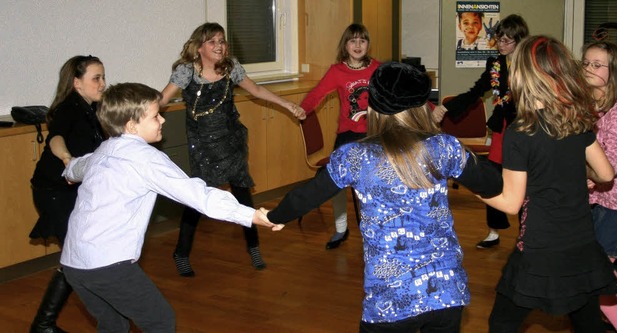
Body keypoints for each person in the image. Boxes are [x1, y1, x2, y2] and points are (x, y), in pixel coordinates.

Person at [267, 62, 503, 333]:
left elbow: (304, 198)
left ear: (372, 107)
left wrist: (271, 216)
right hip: (446, 293)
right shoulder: (444, 147)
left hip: (390, 297)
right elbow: (492, 182)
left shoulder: (353, 157)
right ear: (421, 107)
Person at [60, 82, 283, 332]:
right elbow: (197, 195)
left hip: (73, 264)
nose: (163, 121)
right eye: (155, 116)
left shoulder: (103, 151)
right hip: (107, 265)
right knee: (160, 321)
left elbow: (77, 167)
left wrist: (69, 171)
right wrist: (250, 214)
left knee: (113, 324)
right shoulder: (146, 159)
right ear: (132, 126)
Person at [479, 35, 617, 333]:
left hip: (539, 247)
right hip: (580, 242)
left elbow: (510, 203)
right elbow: (606, 174)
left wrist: (471, 181)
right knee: (586, 319)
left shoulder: (521, 132)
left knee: (502, 322)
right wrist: (580, 174)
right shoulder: (577, 120)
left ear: (525, 76)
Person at [160, 22, 305, 276]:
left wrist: (288, 104)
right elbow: (161, 100)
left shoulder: (231, 68)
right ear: (199, 47)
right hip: (202, 145)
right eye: (212, 41)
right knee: (197, 200)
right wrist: (137, 117)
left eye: (222, 40)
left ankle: (254, 247)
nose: (219, 46)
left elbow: (257, 90)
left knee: (243, 194)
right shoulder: (186, 72)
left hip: (231, 140)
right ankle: (181, 253)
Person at [434, 14, 530, 249]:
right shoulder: (495, 64)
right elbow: (475, 92)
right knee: (493, 179)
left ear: (520, 41)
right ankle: (494, 231)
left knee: (525, 183)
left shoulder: (531, 65)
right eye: (500, 40)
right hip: (502, 130)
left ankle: (526, 235)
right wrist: (445, 107)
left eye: (508, 41)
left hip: (525, 131)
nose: (502, 45)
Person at [28, 55, 106, 333]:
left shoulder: (93, 109)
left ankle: (43, 325)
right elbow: (56, 138)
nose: (102, 83)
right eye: (96, 78)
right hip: (53, 191)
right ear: (77, 83)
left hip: (73, 190)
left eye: (103, 77)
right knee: (77, 255)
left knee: (77, 255)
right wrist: (66, 158)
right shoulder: (68, 109)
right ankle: (44, 324)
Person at [299, 23, 381, 249]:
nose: (357, 45)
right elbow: (316, 94)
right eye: (352, 41)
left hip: (372, 135)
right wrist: (302, 109)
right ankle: (341, 228)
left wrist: (432, 110)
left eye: (362, 41)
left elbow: (399, 91)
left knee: (371, 185)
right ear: (345, 45)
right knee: (336, 181)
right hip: (347, 135)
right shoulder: (337, 71)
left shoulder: (377, 68)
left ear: (368, 44)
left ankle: (373, 231)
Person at [582, 40, 617, 333]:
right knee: (602, 269)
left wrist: (583, 175)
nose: (588, 69)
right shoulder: (592, 107)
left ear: (614, 72)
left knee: (596, 274)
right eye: (586, 63)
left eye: (597, 65)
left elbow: (612, 165)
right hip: (605, 204)